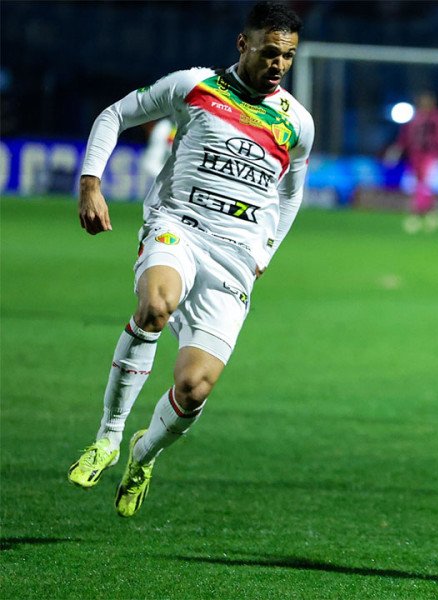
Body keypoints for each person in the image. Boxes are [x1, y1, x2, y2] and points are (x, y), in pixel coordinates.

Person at [69, 0, 313, 518]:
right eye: (271, 53)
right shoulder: (194, 86)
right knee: (155, 306)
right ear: (243, 44)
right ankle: (108, 438)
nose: (279, 65)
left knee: (194, 386)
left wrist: (266, 248)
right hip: (178, 226)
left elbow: (290, 192)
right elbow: (116, 114)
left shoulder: (297, 123)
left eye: (288, 57)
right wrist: (91, 181)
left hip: (236, 257)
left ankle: (142, 454)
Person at [384, 91, 438, 234]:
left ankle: (416, 214)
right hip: (415, 155)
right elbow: (404, 136)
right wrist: (397, 149)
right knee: (418, 184)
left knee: (424, 183)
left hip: (432, 154)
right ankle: (431, 212)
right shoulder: (415, 118)